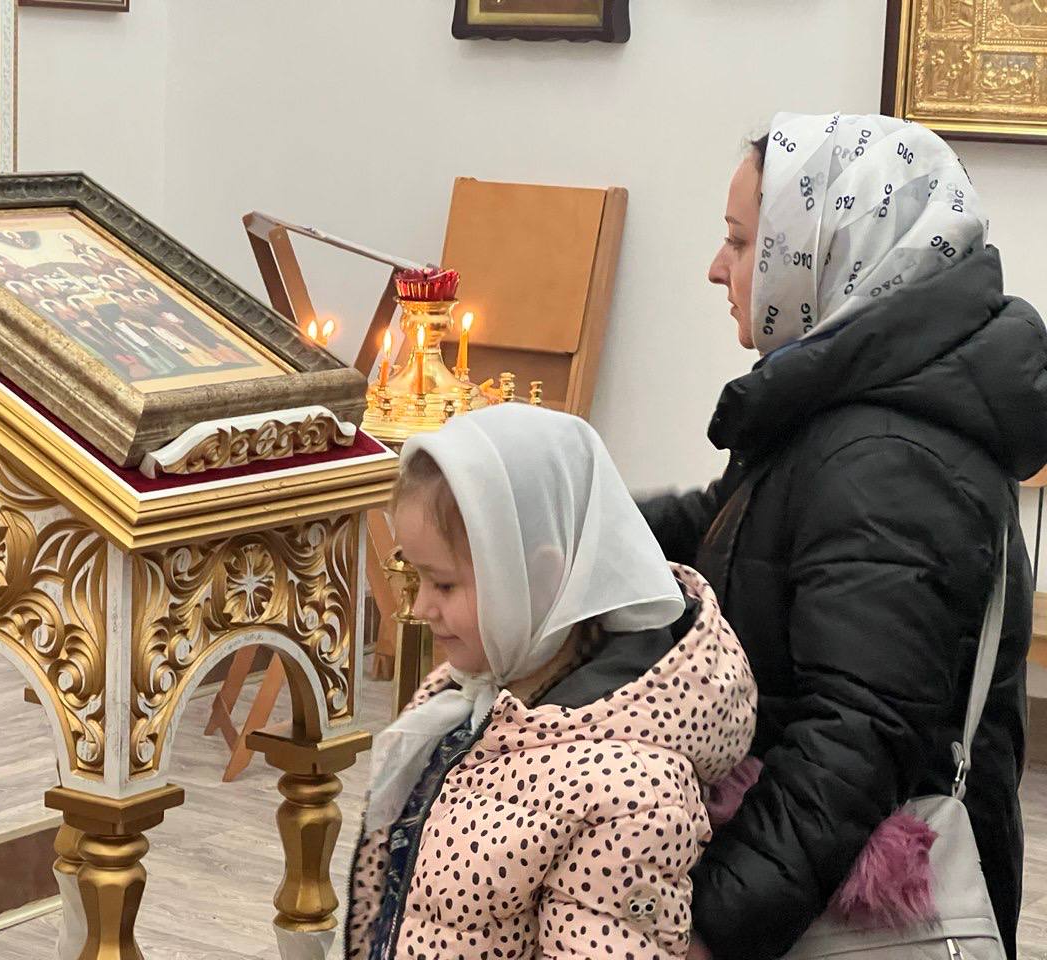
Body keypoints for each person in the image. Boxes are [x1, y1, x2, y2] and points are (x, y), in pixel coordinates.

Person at [638, 112, 1047, 960]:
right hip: (807, 885)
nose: (717, 267)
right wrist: (561, 518)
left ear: (825, 250)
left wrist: (712, 925)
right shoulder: (847, 413)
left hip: (855, 917)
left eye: (741, 241)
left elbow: (853, 744)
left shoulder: (889, 457)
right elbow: (725, 531)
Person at [344, 405, 757, 959]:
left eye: (442, 584)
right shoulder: (464, 694)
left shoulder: (629, 791)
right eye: (415, 577)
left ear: (540, 575)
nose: (420, 608)